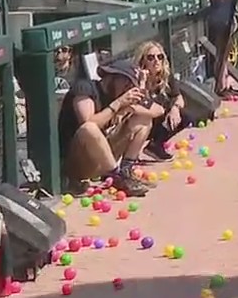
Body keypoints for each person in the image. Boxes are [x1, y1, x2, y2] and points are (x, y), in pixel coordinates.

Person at [58, 57, 154, 196]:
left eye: (130, 85)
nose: (128, 88)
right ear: (113, 77)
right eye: (126, 82)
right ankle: (118, 178)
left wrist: (140, 87)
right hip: (75, 161)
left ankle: (125, 172)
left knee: (142, 120)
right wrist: (118, 104)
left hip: (100, 159)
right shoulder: (85, 87)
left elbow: (155, 109)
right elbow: (87, 122)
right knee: (89, 128)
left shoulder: (116, 95)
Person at [130, 40, 186, 162]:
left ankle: (156, 146)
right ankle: (130, 156)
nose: (156, 61)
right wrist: (143, 82)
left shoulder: (165, 76)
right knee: (144, 117)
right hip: (139, 122)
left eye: (159, 57)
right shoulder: (135, 78)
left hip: (157, 122)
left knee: (185, 114)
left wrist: (175, 109)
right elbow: (139, 102)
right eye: (151, 57)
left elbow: (179, 97)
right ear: (143, 61)